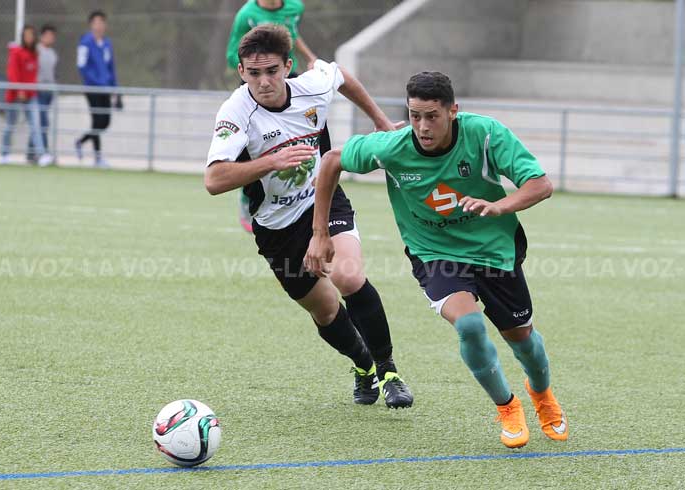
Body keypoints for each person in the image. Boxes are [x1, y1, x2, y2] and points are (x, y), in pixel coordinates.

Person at [305, 71, 568, 448]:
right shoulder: (393, 146)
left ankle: (542, 395)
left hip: (495, 249)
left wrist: (500, 206)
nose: (422, 127)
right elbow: (331, 161)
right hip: (434, 253)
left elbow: (540, 184)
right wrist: (320, 232)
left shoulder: (485, 134)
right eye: (414, 116)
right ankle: (507, 407)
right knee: (470, 326)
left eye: (432, 116)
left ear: (452, 111)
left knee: (523, 339)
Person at [205, 25, 413, 408]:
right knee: (326, 309)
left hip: (323, 199)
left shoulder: (310, 87)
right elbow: (214, 180)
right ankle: (363, 365)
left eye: (272, 71)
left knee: (348, 277)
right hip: (277, 228)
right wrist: (271, 161)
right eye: (254, 73)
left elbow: (341, 75)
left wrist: (381, 121)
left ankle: (388, 372)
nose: (263, 81)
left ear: (288, 66)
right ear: (241, 71)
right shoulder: (236, 113)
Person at [226, 0, 318, 233]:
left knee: (306, 136)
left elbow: (292, 36)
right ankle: (248, 196)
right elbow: (231, 55)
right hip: (256, 86)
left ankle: (308, 192)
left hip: (288, 79)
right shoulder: (246, 15)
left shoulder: (295, 7)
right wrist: (258, 70)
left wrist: (310, 57)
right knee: (252, 149)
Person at [1, 25, 53, 167]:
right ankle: (4, 154)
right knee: (10, 125)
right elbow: (13, 73)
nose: (29, 37)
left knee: (36, 125)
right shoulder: (16, 52)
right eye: (26, 35)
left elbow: (33, 75)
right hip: (15, 95)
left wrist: (30, 90)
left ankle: (41, 155)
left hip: (31, 95)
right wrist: (19, 90)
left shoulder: (35, 54)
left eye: (31, 35)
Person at [75, 10, 121, 168]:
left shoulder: (107, 43)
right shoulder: (85, 42)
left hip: (106, 89)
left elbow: (111, 67)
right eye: (96, 22)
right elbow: (82, 66)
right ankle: (98, 157)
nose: (99, 26)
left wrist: (115, 89)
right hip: (92, 88)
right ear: (91, 25)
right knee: (97, 121)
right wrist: (96, 82)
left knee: (105, 122)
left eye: (102, 22)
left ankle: (81, 141)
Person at [26, 24, 57, 163]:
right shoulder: (36, 51)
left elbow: (53, 73)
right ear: (42, 36)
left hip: (48, 92)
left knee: (39, 123)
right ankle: (43, 153)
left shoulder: (53, 54)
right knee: (42, 122)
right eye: (48, 35)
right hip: (38, 91)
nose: (50, 38)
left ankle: (31, 153)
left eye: (52, 36)